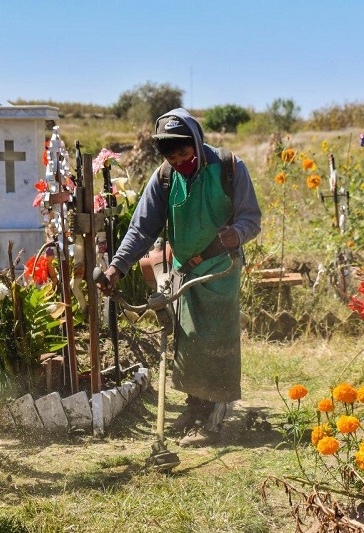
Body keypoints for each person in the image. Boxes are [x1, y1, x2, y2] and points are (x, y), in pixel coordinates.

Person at [97, 108, 261, 447]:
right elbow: (141, 228)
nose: (179, 160)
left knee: (214, 337)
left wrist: (237, 234)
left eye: (184, 153)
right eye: (172, 156)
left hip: (221, 267)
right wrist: (117, 267)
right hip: (184, 268)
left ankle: (213, 417)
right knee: (187, 337)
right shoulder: (165, 178)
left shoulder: (230, 167)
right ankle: (193, 406)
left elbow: (251, 219)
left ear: (197, 143)